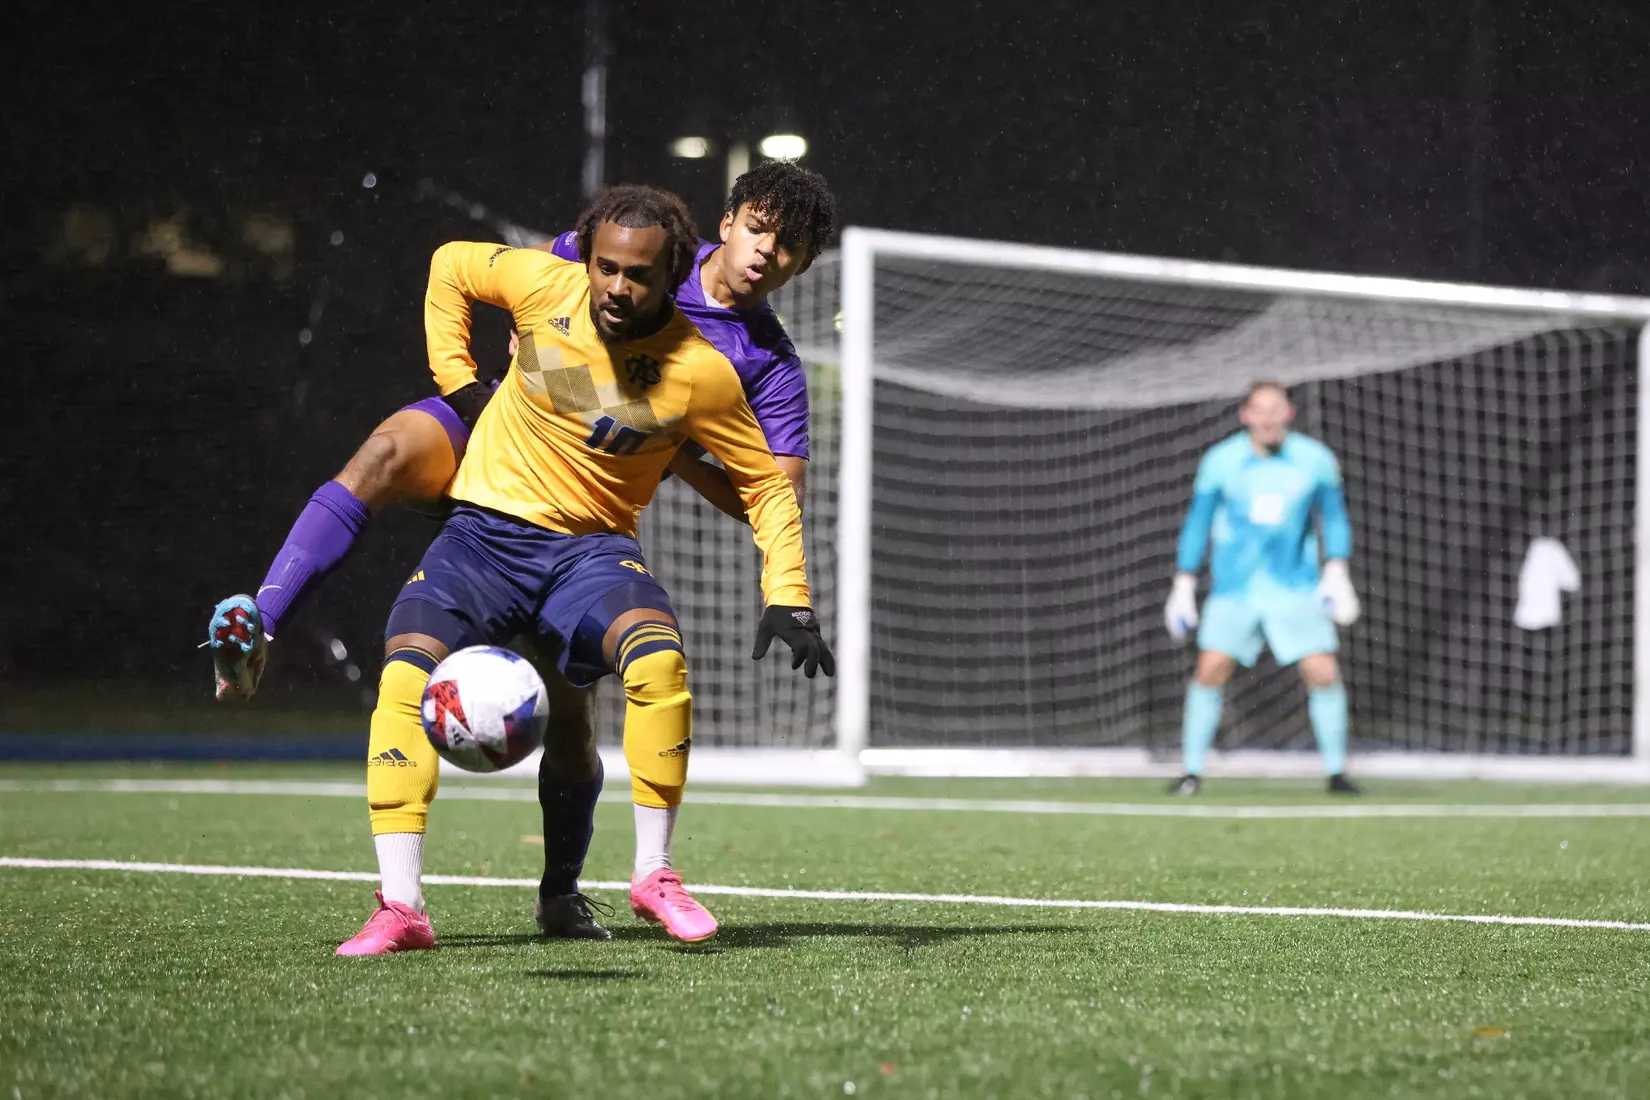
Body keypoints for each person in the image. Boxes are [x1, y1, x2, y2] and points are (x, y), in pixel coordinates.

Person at [206, 163, 837, 939]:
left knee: (574, 713)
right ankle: (262, 626)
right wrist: (464, 383)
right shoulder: (622, 250)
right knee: (384, 457)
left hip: (590, 514)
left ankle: (567, 891)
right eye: (760, 229)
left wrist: (663, 439)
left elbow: (771, 490)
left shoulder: (749, 365)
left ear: (805, 264)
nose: (767, 251)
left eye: (788, 245)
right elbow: (476, 270)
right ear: (729, 220)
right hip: (506, 426)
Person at [1163, 381, 1361, 796]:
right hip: (1235, 590)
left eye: (1276, 409)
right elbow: (1198, 521)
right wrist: (1183, 582)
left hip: (1295, 587)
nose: (1268, 418)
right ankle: (1191, 772)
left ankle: (1337, 773)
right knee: (1210, 670)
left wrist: (1337, 568)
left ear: (1288, 413)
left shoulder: (1315, 460)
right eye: (1260, 410)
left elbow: (1334, 517)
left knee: (1323, 672)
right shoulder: (1221, 461)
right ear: (1246, 415)